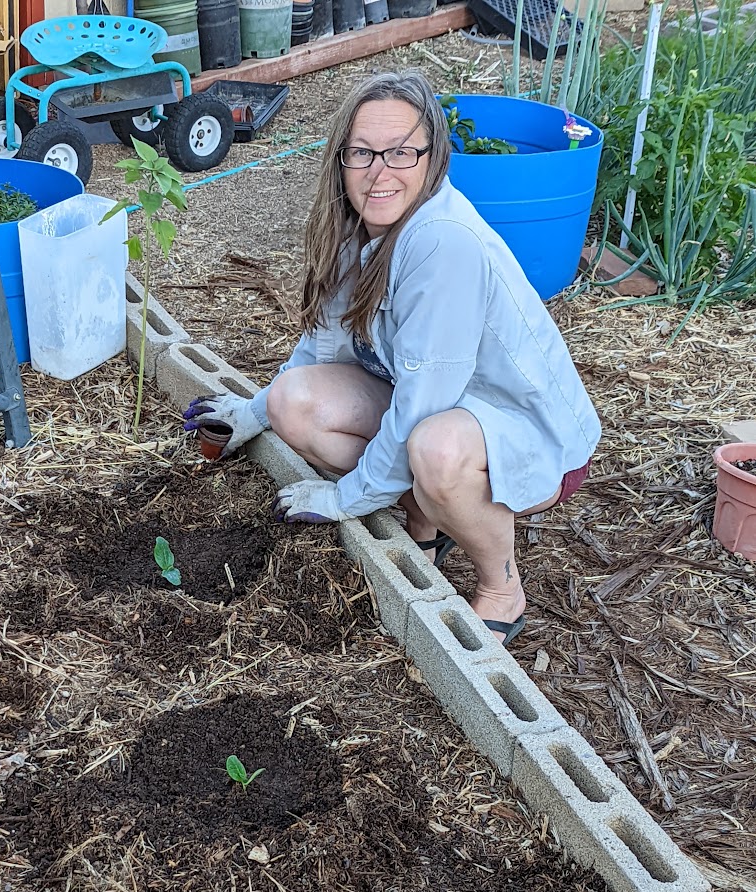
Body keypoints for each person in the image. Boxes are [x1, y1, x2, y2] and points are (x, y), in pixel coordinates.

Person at [183, 69, 601, 644]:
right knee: (293, 403)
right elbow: (324, 341)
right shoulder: (361, 226)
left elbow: (423, 405)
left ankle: (502, 586)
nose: (380, 172)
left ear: (433, 157)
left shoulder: (441, 242)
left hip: (524, 429)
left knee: (435, 448)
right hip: (444, 407)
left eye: (402, 152)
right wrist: (251, 414)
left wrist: (343, 498)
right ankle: (426, 520)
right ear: (342, 160)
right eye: (363, 153)